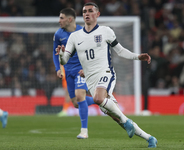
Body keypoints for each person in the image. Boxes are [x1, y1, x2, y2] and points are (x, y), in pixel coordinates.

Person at [56, 2, 157, 148]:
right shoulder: (75, 37)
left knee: (98, 98)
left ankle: (126, 121)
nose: (87, 14)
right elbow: (64, 60)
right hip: (90, 80)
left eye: (90, 11)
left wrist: (137, 57)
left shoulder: (105, 31)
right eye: (84, 11)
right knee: (116, 117)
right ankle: (149, 138)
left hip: (106, 73)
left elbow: (120, 51)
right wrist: (60, 55)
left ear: (97, 14)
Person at [53, 8, 96, 139]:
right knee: (76, 103)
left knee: (80, 95)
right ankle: (100, 99)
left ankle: (84, 131)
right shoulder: (58, 34)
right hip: (68, 71)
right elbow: (55, 53)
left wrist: (89, 68)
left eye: (61, 18)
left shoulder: (83, 32)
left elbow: (92, 52)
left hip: (81, 70)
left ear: (69, 19)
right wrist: (58, 68)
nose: (59, 20)